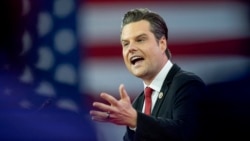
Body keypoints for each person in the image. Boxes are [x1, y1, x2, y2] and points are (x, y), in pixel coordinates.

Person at [90, 8, 206, 141]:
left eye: (140, 40)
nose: (131, 48)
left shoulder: (187, 85)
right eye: (126, 43)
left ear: (162, 44)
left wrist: (136, 120)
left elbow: (187, 133)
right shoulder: (137, 104)